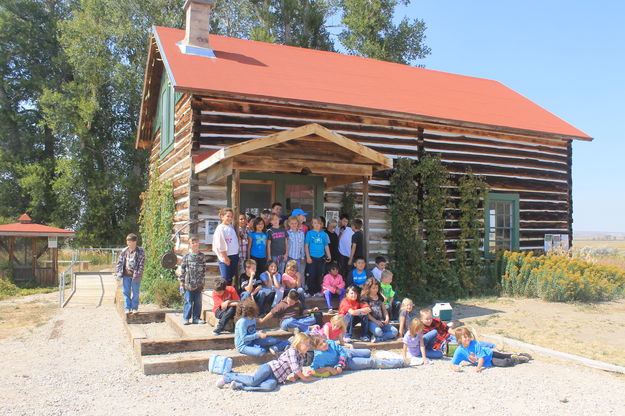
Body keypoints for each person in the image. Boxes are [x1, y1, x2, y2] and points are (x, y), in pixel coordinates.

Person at [217, 333, 314, 391]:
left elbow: (298, 370)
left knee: (270, 386)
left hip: (277, 377)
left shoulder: (301, 356)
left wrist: (295, 377)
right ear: (299, 344)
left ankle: (239, 386)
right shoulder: (292, 351)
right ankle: (229, 377)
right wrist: (304, 378)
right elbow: (296, 369)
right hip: (270, 369)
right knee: (253, 381)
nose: (308, 347)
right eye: (306, 344)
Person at [309, 336, 404, 376]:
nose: (325, 344)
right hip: (348, 363)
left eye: (323, 341)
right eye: (321, 344)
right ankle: (399, 363)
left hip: (346, 354)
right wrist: (329, 369)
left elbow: (341, 351)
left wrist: (339, 364)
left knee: (367, 352)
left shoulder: (330, 342)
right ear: (316, 348)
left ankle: (382, 357)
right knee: (371, 362)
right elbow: (313, 370)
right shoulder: (318, 357)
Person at [450, 327, 531, 372]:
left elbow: (481, 357)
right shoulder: (459, 351)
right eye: (465, 337)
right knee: (504, 362)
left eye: (468, 336)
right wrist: (454, 368)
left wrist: (478, 368)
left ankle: (519, 355)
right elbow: (452, 362)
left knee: (504, 355)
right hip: (488, 362)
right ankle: (517, 360)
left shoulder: (474, 344)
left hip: (489, 354)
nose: (468, 338)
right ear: (459, 340)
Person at [177, 236, 206, 325]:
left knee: (198, 302)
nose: (195, 244)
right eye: (192, 243)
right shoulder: (187, 256)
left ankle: (196, 318)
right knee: (188, 301)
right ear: (190, 245)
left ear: (199, 244)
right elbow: (182, 269)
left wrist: (202, 282)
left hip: (199, 284)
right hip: (189, 284)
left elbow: (204, 269)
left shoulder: (202, 256)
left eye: (196, 242)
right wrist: (182, 282)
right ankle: (186, 318)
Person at [116, 233, 146, 315]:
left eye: (129, 241)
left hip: (136, 275)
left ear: (134, 242)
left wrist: (139, 273)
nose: (127, 243)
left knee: (135, 292)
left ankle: (134, 308)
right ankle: (127, 308)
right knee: (126, 292)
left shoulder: (140, 251)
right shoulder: (124, 251)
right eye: (127, 241)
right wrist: (119, 272)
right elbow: (119, 262)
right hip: (126, 275)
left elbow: (141, 264)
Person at [360, 278, 398, 342]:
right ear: (368, 288)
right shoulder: (365, 298)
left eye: (377, 288)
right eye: (373, 288)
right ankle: (377, 335)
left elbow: (384, 310)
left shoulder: (379, 296)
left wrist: (387, 318)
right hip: (371, 321)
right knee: (378, 332)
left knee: (395, 331)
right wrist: (376, 321)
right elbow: (367, 314)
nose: (375, 290)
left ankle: (378, 338)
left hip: (381, 321)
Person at [304, 216, 331, 296]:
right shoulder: (309, 233)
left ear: (321, 224)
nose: (316, 225)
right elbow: (306, 246)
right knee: (312, 274)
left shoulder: (323, 234)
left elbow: (326, 245)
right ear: (312, 224)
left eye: (318, 223)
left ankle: (318, 291)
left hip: (321, 257)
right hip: (312, 257)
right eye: (314, 223)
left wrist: (329, 255)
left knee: (320, 274)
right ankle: (310, 291)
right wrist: (308, 257)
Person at [213, 208, 240, 286]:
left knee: (230, 278)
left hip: (234, 255)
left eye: (231, 217)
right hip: (226, 256)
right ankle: (223, 296)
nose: (230, 218)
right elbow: (220, 244)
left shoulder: (231, 227)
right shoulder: (220, 228)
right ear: (222, 217)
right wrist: (225, 257)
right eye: (227, 216)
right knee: (225, 278)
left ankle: (229, 295)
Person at [337, 214, 353, 280]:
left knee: (349, 270)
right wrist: (340, 233)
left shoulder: (350, 229)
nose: (345, 223)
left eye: (346, 222)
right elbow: (336, 240)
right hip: (341, 252)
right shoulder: (337, 229)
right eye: (343, 221)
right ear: (340, 221)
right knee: (341, 270)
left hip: (349, 253)